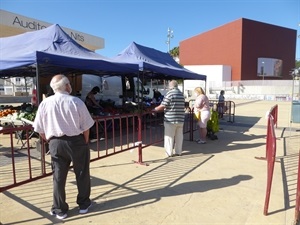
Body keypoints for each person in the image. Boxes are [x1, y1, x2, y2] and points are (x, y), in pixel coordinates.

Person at [33, 74, 95, 220]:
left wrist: (50, 141)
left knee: (58, 177)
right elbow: (86, 127)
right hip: (76, 141)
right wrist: (84, 141)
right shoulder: (76, 101)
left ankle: (60, 209)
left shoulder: (45, 103)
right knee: (82, 173)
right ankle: (84, 204)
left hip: (55, 142)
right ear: (67, 86)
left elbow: (39, 129)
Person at [153, 80, 185, 157]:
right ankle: (178, 152)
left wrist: (155, 109)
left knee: (169, 137)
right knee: (179, 137)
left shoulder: (170, 93)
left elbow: (163, 105)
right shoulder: (181, 94)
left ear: (171, 86)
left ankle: (168, 153)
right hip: (180, 119)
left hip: (170, 119)